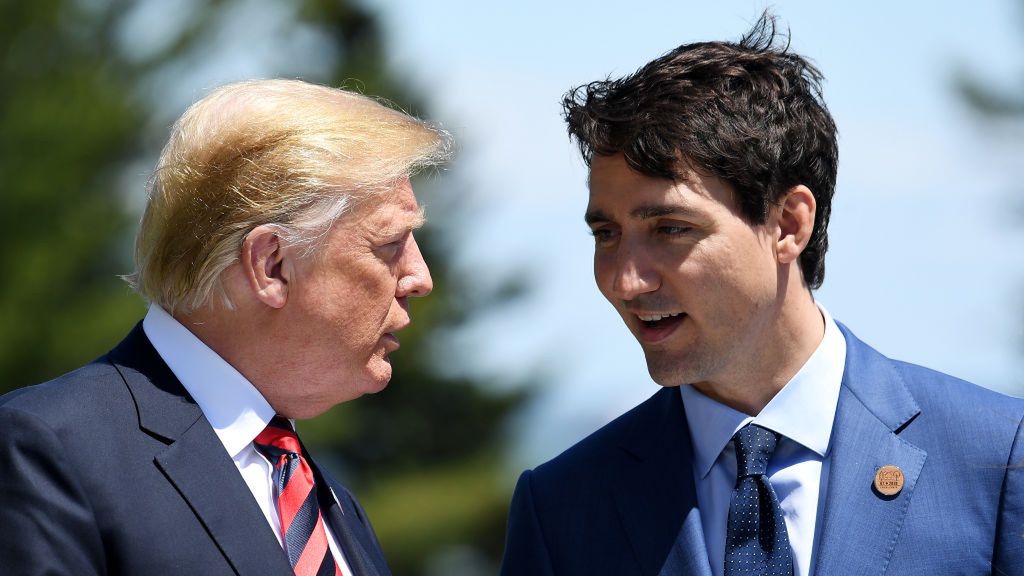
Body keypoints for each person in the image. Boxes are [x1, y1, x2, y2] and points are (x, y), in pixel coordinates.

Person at [500, 13, 1023, 576]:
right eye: (607, 235)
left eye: (670, 229)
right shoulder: (561, 508)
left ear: (788, 224)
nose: (627, 281)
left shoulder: (998, 461)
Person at [0, 78, 451, 575]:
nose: (419, 277)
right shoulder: (47, 450)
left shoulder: (330, 505)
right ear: (272, 265)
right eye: (390, 244)